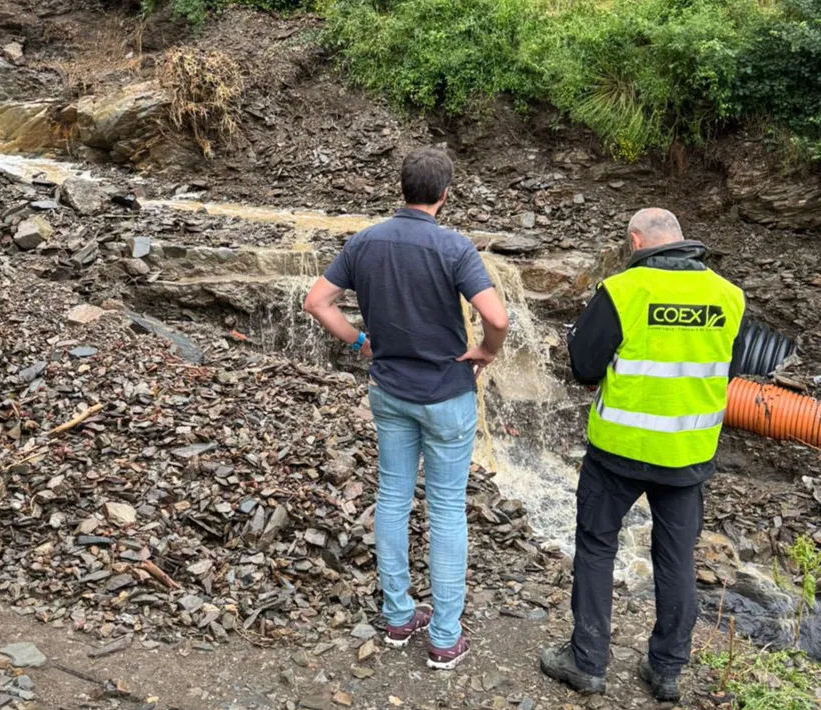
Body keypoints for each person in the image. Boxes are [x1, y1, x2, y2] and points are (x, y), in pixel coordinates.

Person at [304, 147, 510, 669]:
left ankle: (397, 617)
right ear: (445, 194)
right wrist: (486, 351)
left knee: (393, 497)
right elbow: (498, 319)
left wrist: (358, 342)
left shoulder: (365, 241)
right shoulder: (454, 246)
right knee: (444, 508)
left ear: (402, 189)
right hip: (445, 393)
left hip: (390, 391)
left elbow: (316, 301)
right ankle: (444, 636)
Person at [539, 208, 746, 702]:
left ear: (637, 241)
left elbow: (584, 367)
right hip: (688, 453)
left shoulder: (624, 291)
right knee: (675, 562)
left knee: (595, 549)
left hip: (618, 452)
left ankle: (587, 662)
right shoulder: (728, 296)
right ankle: (667, 670)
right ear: (680, 238)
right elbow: (727, 370)